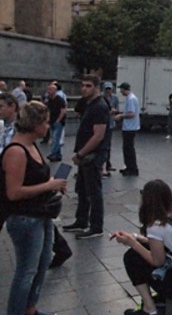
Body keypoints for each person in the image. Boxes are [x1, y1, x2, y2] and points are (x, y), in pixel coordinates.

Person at [1, 101, 68, 315]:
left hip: (41, 213)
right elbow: (13, 192)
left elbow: (34, 177)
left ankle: (29, 309)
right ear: (35, 124)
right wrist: (48, 185)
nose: (48, 126)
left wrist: (53, 183)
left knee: (41, 265)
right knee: (26, 270)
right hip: (24, 217)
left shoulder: (32, 145)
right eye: (46, 122)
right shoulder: (16, 151)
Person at [111, 180, 172, 315]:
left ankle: (149, 309)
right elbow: (168, 244)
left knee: (131, 257)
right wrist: (135, 237)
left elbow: (157, 261)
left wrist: (132, 243)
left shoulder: (156, 226)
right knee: (142, 247)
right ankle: (154, 302)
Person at [63, 75, 111, 239]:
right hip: (86, 154)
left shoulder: (99, 106)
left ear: (97, 87)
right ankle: (81, 220)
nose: (84, 88)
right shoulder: (89, 104)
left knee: (93, 191)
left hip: (92, 155)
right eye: (83, 85)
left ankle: (96, 226)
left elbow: (98, 135)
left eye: (88, 86)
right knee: (82, 189)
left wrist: (81, 153)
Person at [116, 82, 140, 176]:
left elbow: (131, 113)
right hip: (131, 127)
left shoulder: (130, 99)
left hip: (130, 127)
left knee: (128, 149)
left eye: (121, 90)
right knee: (128, 148)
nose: (120, 92)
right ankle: (130, 167)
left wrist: (120, 116)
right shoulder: (132, 98)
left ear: (123, 89)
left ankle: (131, 168)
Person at [45, 83, 66, 162]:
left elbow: (63, 110)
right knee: (55, 137)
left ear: (55, 90)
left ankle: (53, 153)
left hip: (58, 121)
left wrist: (58, 120)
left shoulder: (59, 99)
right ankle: (58, 154)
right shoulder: (50, 99)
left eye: (50, 89)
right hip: (52, 121)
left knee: (55, 138)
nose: (48, 91)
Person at [102, 82, 119, 176]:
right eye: (106, 89)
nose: (108, 91)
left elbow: (117, 109)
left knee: (108, 145)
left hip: (110, 123)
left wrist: (114, 111)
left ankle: (107, 164)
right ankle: (103, 164)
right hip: (102, 123)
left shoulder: (115, 98)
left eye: (110, 89)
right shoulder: (101, 98)